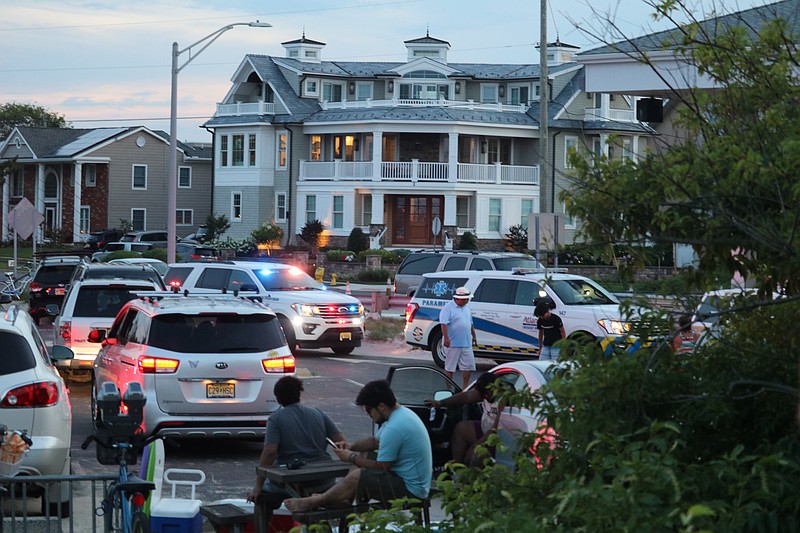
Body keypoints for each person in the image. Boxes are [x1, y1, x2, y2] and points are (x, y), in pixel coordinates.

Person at [284, 379, 432, 512]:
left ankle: (317, 500)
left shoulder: (396, 427)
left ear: (381, 406)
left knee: (359, 475)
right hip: (404, 479)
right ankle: (342, 499)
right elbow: (375, 442)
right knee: (366, 454)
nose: (369, 415)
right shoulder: (399, 415)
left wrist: (352, 458)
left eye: (369, 410)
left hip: (412, 491)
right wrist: (351, 446)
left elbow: (382, 467)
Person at [246, 376, 345, 527]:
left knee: (262, 498)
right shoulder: (317, 412)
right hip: (324, 480)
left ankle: (263, 527)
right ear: (299, 394)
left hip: (294, 481)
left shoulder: (276, 419)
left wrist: (258, 486)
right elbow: (340, 441)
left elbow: (270, 453)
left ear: (278, 398)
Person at [424, 373, 511, 466]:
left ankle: (472, 478)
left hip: (500, 439)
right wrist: (440, 403)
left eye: (486, 394)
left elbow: (496, 429)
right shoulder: (485, 392)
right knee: (461, 428)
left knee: (477, 456)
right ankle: (457, 470)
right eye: (481, 395)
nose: (484, 397)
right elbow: (466, 396)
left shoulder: (504, 399)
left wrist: (475, 446)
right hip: (485, 430)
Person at [439, 286, 478, 388]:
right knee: (450, 367)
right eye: (466, 299)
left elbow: (470, 323)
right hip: (453, 343)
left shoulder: (466, 308)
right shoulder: (448, 308)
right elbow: (443, 324)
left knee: (468, 366)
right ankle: (448, 389)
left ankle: (465, 387)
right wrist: (446, 338)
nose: (468, 300)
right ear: (458, 299)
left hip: (466, 343)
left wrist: (473, 335)